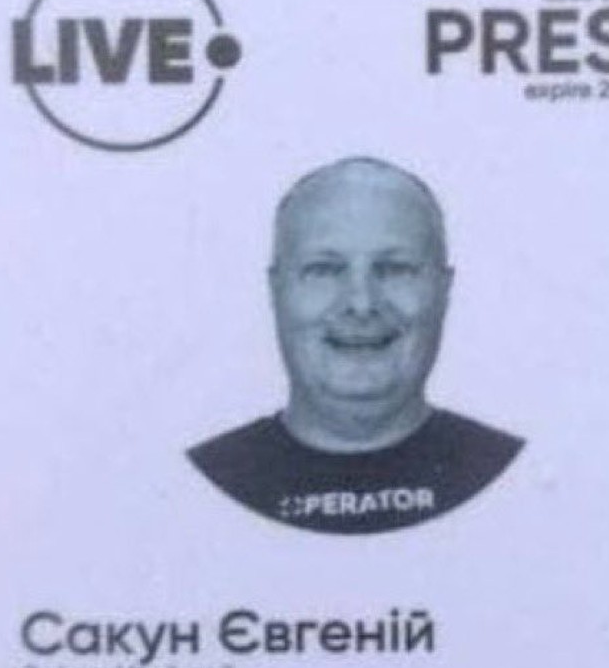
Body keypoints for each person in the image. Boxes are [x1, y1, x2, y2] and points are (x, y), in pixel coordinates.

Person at [188, 156, 523, 533]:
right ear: (275, 290)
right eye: (325, 270)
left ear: (444, 290)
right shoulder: (200, 488)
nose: (362, 304)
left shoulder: (512, 479)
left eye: (395, 269)